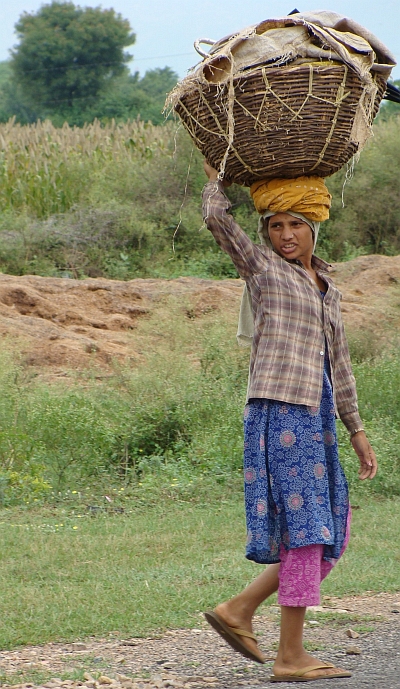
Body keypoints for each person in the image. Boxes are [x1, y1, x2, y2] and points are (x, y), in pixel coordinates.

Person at [201, 161, 378, 683]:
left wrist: (357, 429)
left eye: (295, 224)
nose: (284, 235)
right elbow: (216, 220)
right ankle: (289, 656)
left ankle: (240, 609)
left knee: (331, 532)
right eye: (275, 225)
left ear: (313, 228)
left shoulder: (328, 287)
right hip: (279, 409)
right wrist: (218, 178)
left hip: (318, 412)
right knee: (305, 533)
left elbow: (339, 363)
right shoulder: (262, 269)